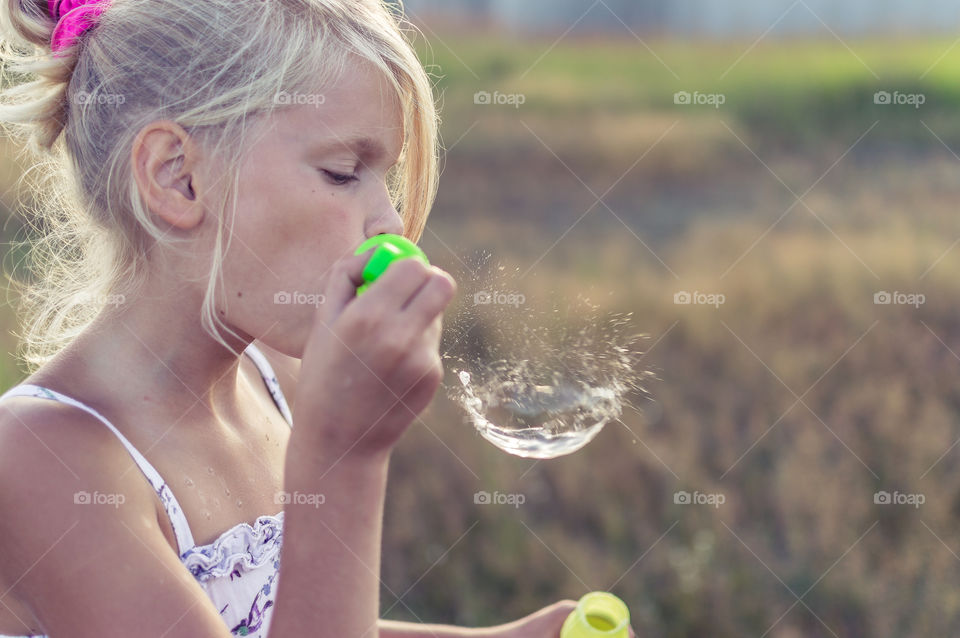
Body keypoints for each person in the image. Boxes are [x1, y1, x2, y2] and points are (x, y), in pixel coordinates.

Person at [0, 1, 638, 636]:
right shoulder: (43, 461)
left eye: (384, 178)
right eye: (342, 173)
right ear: (178, 177)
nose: (390, 223)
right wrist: (345, 457)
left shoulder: (272, 379)